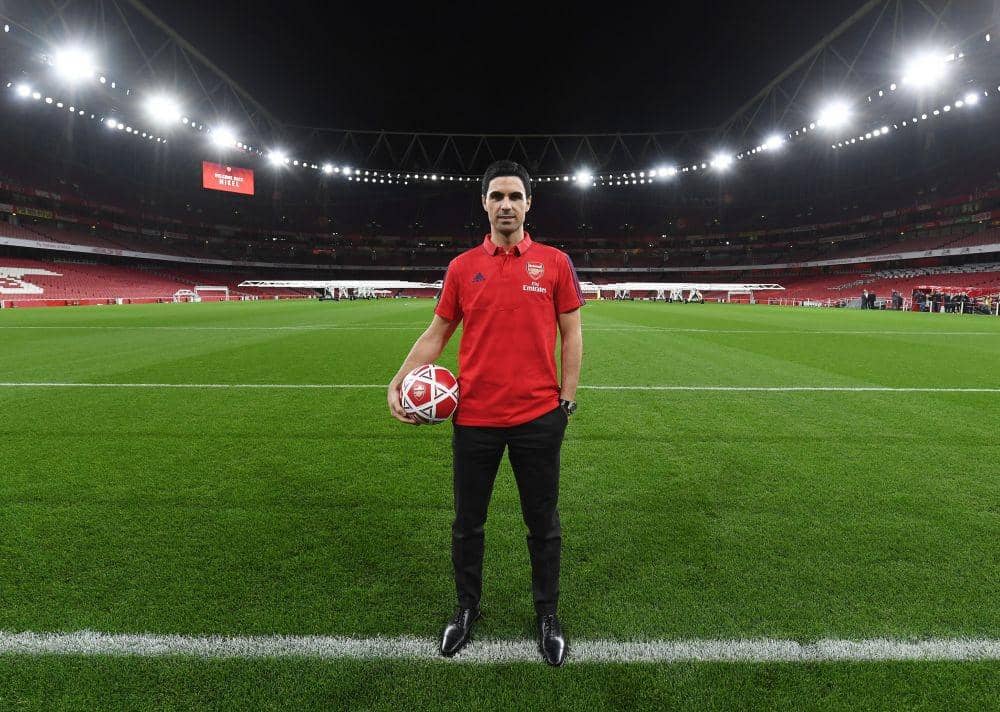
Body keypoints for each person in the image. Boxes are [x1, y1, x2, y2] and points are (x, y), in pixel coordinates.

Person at [387, 160, 585, 667]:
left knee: (543, 524)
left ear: (528, 204)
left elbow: (572, 334)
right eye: (496, 196)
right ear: (484, 204)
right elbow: (436, 335)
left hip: (539, 418)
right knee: (467, 524)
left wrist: (566, 400)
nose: (506, 205)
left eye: (515, 196)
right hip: (474, 419)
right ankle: (467, 609)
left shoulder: (556, 263)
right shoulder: (461, 268)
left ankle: (547, 614)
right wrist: (399, 379)